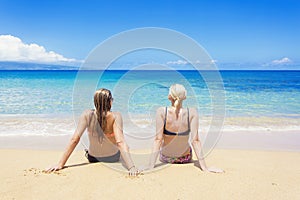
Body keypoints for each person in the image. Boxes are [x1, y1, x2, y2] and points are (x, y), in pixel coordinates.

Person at [45, 88, 140, 176]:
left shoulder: (87, 115)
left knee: (88, 149)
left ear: (95, 101)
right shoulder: (116, 116)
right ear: (110, 102)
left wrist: (60, 164)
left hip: (93, 158)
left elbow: (75, 140)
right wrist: (131, 167)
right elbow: (120, 142)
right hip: (112, 158)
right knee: (125, 147)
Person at [148, 84, 223, 173]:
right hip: (185, 158)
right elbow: (195, 141)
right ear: (184, 97)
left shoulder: (161, 112)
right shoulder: (192, 113)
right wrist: (205, 168)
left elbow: (158, 140)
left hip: (166, 158)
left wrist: (150, 167)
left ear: (169, 97)